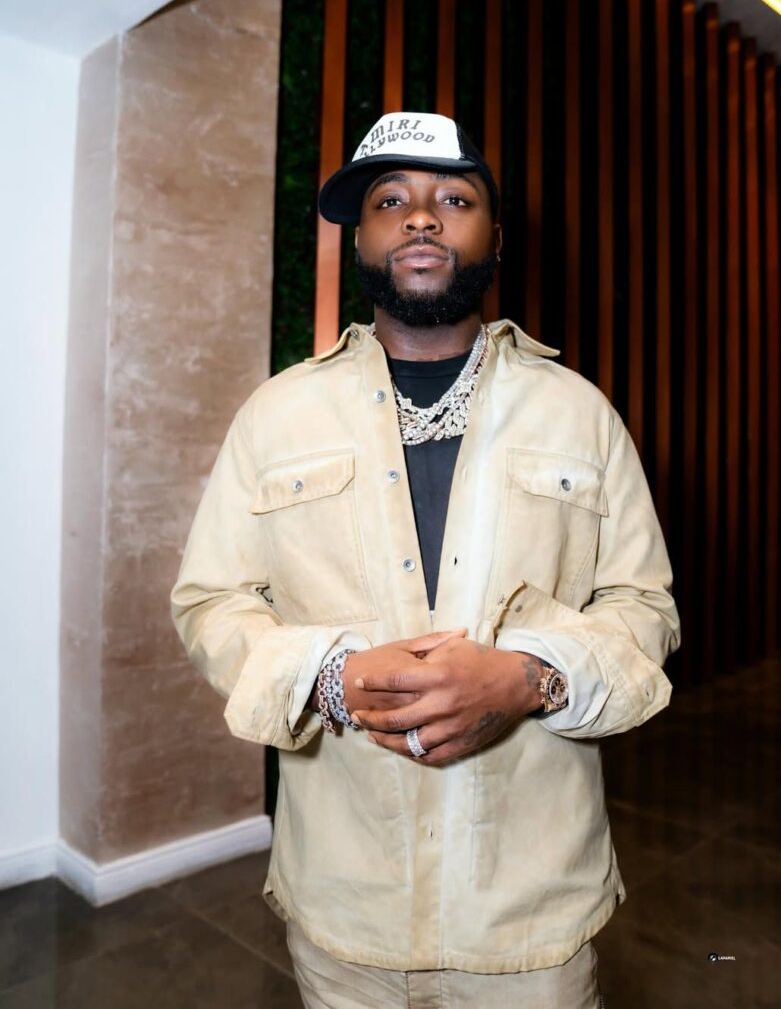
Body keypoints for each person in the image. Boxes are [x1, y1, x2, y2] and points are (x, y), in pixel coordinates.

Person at [171, 111, 679, 1008]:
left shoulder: (579, 414)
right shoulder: (276, 415)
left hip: (529, 919)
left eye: (453, 199)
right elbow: (212, 599)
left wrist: (528, 678)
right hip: (343, 907)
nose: (419, 217)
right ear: (360, 239)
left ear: (494, 237)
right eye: (389, 201)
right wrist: (328, 678)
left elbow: (643, 605)